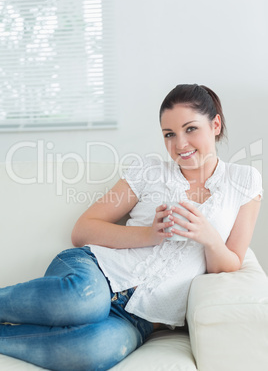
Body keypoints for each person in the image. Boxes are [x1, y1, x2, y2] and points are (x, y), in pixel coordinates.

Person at [0, 84, 263, 370]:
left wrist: (210, 239)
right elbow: (82, 230)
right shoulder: (149, 171)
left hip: (139, 318)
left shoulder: (244, 181)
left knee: (94, 350)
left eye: (190, 129)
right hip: (95, 272)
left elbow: (232, 263)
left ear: (215, 124)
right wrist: (149, 234)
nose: (180, 145)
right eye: (169, 135)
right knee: (85, 302)